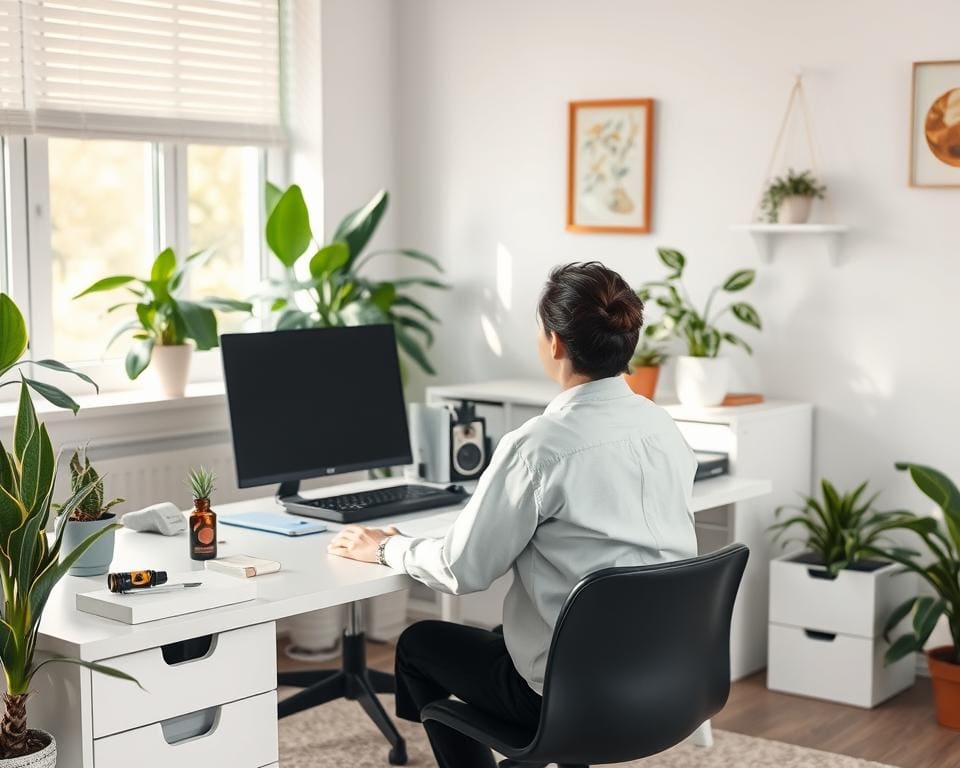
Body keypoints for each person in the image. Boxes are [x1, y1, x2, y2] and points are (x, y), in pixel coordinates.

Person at [328, 261, 698, 768]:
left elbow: (464, 570)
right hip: (664, 681)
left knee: (419, 645)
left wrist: (387, 546)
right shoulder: (663, 428)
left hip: (569, 697)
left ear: (554, 343)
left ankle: (517, 748)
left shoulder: (538, 446)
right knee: (510, 638)